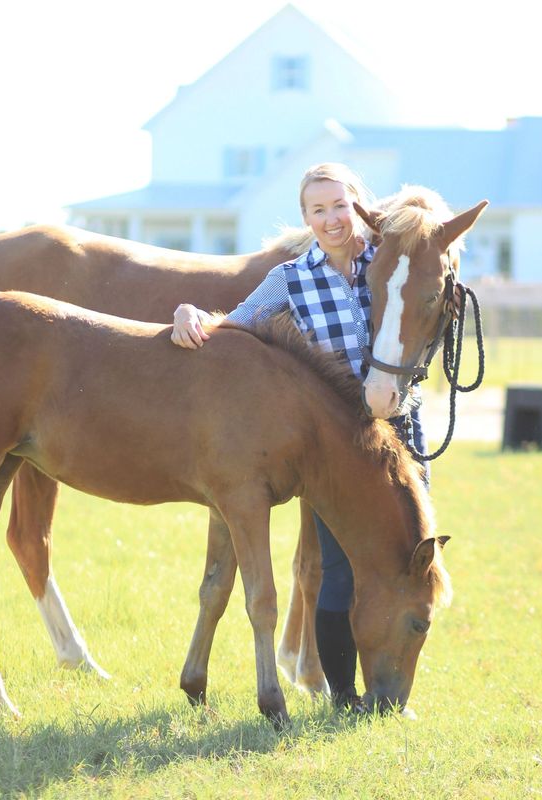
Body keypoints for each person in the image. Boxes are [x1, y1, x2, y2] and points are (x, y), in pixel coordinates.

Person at [171, 163, 428, 712]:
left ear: (359, 204)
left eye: (340, 205)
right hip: (338, 452)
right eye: (318, 209)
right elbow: (236, 325)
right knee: (337, 571)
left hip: (404, 434)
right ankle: (342, 695)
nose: (332, 219)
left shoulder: (389, 259)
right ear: (305, 218)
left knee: (404, 563)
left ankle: (393, 690)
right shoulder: (291, 279)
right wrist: (190, 314)